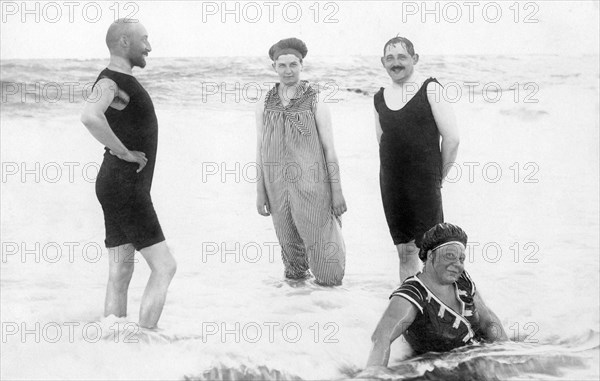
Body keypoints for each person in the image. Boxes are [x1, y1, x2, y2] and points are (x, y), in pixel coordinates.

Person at [80, 19, 177, 329]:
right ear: (124, 42)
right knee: (164, 267)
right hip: (125, 185)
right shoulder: (109, 82)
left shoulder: (119, 84)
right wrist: (125, 152)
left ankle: (113, 344)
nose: (149, 46)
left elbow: (109, 112)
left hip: (116, 184)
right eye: (144, 40)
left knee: (120, 272)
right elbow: (89, 116)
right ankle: (146, 341)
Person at [255, 37, 347, 286]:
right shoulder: (264, 102)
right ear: (274, 67)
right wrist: (260, 192)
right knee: (291, 258)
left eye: (293, 64)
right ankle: (299, 309)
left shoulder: (316, 99)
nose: (288, 70)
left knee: (325, 254)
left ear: (302, 65)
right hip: (276, 188)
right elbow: (260, 149)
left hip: (313, 185)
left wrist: (337, 192)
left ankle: (333, 308)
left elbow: (330, 149)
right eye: (282, 65)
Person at [361, 223, 508, 375]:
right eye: (450, 256)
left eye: (461, 259)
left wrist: (507, 354)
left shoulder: (462, 281)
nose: (458, 265)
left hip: (484, 359)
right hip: (437, 371)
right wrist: (373, 377)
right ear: (431, 255)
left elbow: (488, 320)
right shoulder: (412, 294)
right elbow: (381, 338)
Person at [374, 36, 460, 282]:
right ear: (383, 62)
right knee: (404, 252)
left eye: (402, 57)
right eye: (390, 58)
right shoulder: (379, 98)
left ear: (415, 59)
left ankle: (440, 309)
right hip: (392, 184)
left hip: (425, 183)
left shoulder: (430, 88)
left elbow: (452, 139)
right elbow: (382, 141)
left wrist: (437, 176)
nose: (396, 63)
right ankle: (412, 310)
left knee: (433, 252)